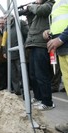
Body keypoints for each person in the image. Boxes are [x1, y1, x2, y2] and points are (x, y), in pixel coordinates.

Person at [24, 0, 55, 110]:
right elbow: (32, 20)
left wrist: (31, 6)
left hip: (41, 44)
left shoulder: (49, 5)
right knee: (33, 74)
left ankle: (47, 102)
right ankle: (38, 97)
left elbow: (41, 10)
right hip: (34, 43)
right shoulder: (38, 9)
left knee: (42, 75)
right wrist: (26, 11)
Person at [43, 0, 68, 131]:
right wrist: (50, 31)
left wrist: (60, 39)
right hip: (63, 49)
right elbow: (62, 23)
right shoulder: (57, 3)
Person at [3, 15, 28, 95]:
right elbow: (4, 41)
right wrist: (4, 51)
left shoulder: (19, 23)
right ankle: (17, 91)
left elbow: (27, 35)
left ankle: (25, 91)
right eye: (4, 19)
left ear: (12, 17)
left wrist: (24, 47)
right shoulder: (6, 27)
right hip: (10, 54)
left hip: (19, 53)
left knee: (22, 73)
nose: (5, 20)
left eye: (6, 18)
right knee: (13, 74)